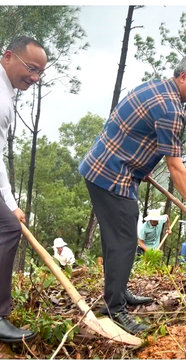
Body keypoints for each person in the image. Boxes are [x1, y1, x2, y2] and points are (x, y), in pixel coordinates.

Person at [79, 52, 186, 334]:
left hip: (102, 165)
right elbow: (176, 166)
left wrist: (141, 162)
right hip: (112, 175)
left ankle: (118, 290)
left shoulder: (155, 87)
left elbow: (129, 125)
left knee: (116, 237)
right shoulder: (171, 109)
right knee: (125, 241)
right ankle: (114, 308)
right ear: (183, 76)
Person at [0, 36, 46, 343]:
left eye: (40, 72)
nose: (34, 77)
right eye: (31, 68)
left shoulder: (7, 91)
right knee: (7, 228)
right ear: (7, 57)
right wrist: (10, 202)